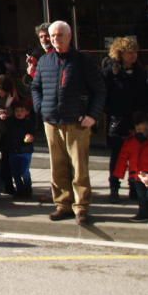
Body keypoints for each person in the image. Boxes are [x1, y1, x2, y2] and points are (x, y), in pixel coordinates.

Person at [30, 20, 106, 225]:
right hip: (51, 122)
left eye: (59, 36)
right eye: (52, 36)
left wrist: (93, 115)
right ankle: (62, 205)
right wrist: (40, 107)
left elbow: (99, 90)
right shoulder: (45, 61)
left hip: (77, 122)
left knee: (79, 167)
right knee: (57, 166)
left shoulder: (82, 60)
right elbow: (35, 87)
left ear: (69, 36)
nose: (55, 40)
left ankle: (81, 207)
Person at [102, 36, 148, 203]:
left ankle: (134, 187)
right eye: (129, 52)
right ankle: (114, 187)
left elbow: (144, 95)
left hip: (136, 119)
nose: (133, 55)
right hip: (118, 119)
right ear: (120, 53)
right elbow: (104, 95)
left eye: (135, 52)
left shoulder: (140, 71)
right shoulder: (111, 71)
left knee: (136, 154)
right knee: (117, 156)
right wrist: (110, 112)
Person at [112, 113, 148, 222]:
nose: (141, 131)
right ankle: (143, 213)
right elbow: (123, 158)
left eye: (144, 129)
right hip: (137, 174)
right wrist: (118, 173)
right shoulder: (130, 142)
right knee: (141, 196)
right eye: (138, 129)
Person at [4, 100, 36, 198]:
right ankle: (19, 190)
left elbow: (33, 134)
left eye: (22, 111)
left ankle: (27, 189)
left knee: (24, 171)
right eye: (17, 111)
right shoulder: (10, 121)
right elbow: (6, 115)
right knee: (15, 172)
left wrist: (30, 137)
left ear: (26, 112)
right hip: (13, 151)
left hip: (25, 151)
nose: (19, 113)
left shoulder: (30, 122)